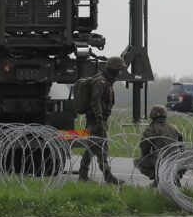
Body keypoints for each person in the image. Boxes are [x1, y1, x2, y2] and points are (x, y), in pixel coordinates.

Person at [77, 56, 125, 184]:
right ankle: (108, 176)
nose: (120, 72)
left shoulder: (106, 81)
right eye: (119, 69)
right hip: (96, 121)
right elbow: (95, 101)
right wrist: (99, 121)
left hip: (99, 120)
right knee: (102, 148)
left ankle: (83, 175)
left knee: (92, 147)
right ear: (114, 69)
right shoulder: (101, 82)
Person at [135, 104, 182, 180]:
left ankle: (156, 177)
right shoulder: (173, 127)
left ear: (152, 115)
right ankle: (177, 174)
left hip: (161, 159)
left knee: (138, 162)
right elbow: (181, 144)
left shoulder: (151, 129)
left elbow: (145, 149)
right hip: (176, 159)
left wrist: (148, 155)